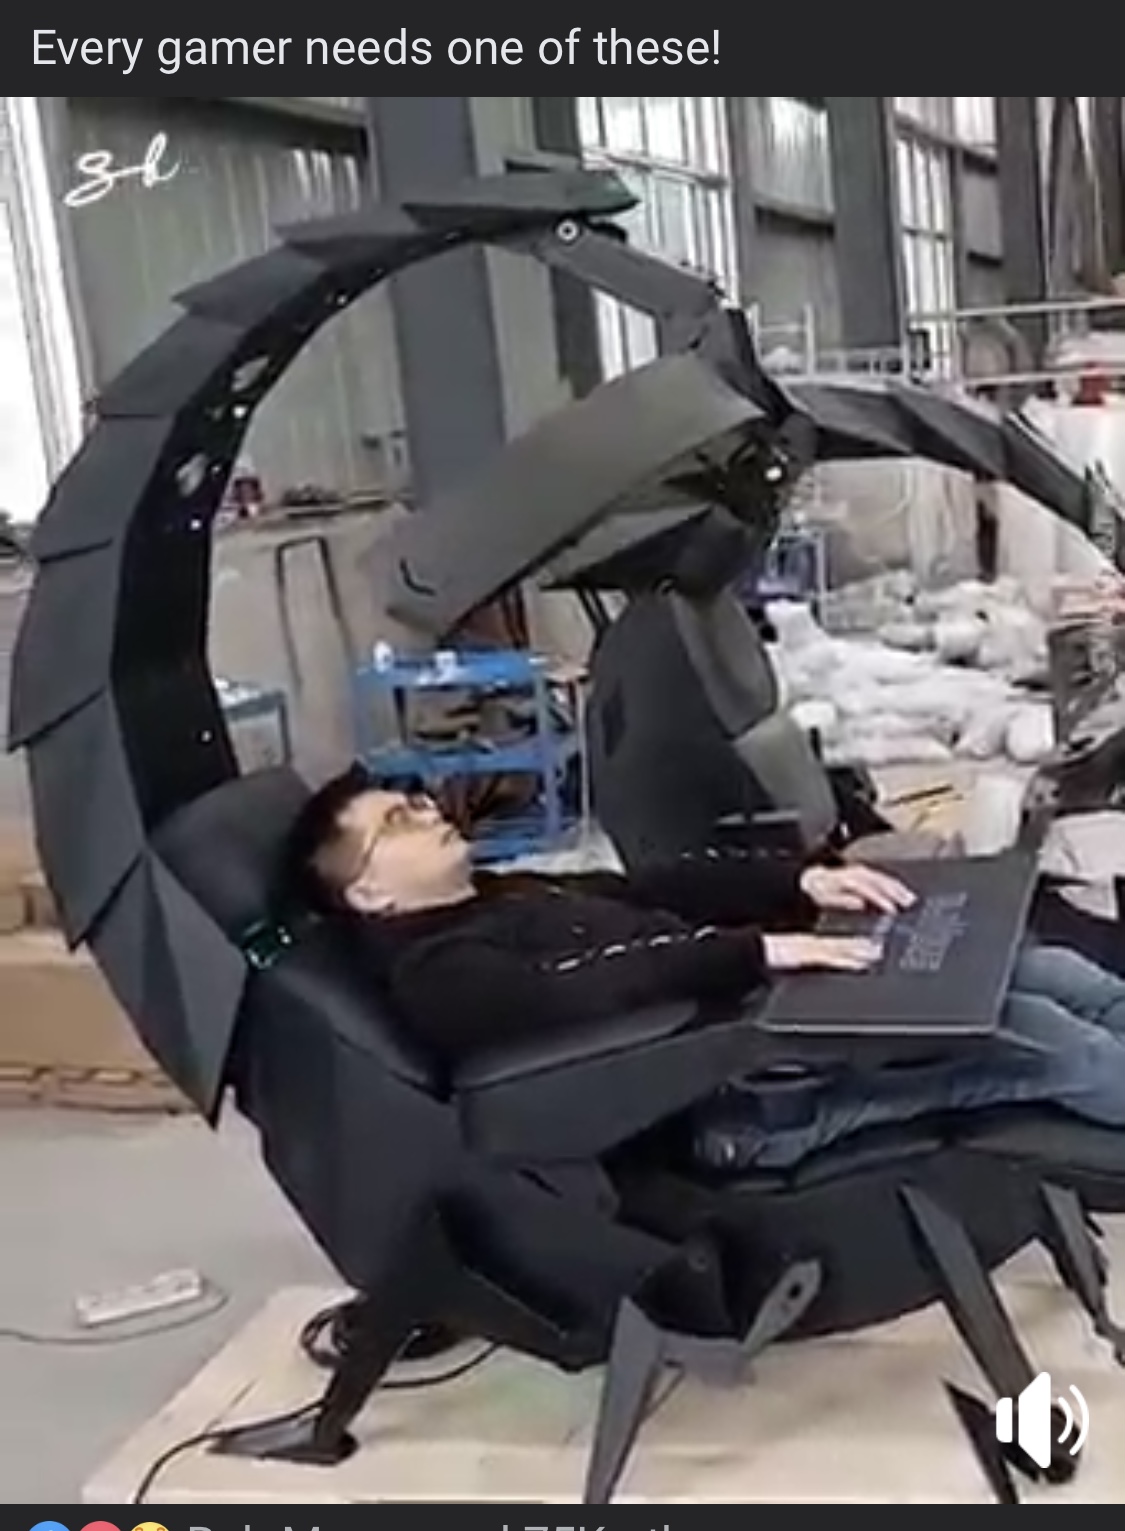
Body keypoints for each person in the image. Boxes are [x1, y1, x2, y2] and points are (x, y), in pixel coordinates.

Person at [281, 766, 1125, 1170]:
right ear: (367, 894)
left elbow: (648, 888)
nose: (426, 810)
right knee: (1048, 1037)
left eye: (415, 799)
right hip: (739, 1096)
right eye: (396, 821)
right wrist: (754, 948)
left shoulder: (499, 892)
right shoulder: (438, 972)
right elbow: (594, 983)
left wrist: (799, 881)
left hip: (766, 1029)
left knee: (1051, 970)